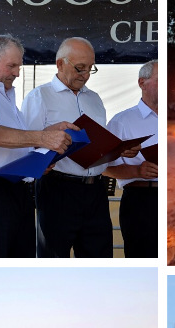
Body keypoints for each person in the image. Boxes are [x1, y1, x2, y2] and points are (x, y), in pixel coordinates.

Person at [0, 34, 75, 258]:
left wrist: (39, 152)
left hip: (17, 190)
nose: (17, 72)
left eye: (19, 65)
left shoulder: (7, 96)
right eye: (12, 65)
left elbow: (14, 142)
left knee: (21, 261)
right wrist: (41, 138)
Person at [22, 37, 137, 258]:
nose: (84, 74)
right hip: (57, 188)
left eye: (89, 69)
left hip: (95, 190)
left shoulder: (95, 99)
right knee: (54, 258)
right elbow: (27, 145)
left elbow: (98, 144)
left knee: (100, 257)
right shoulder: (39, 96)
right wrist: (45, 149)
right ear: (59, 64)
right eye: (79, 68)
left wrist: (118, 149)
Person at [102, 60, 158, 258]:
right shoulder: (122, 121)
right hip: (141, 201)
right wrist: (137, 171)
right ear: (142, 83)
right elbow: (104, 167)